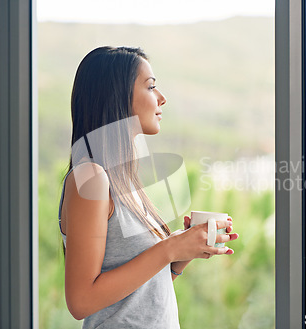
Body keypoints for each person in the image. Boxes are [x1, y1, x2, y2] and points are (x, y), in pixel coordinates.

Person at [57, 46, 239, 329]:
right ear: (116, 97)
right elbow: (80, 301)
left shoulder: (124, 179)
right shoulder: (91, 178)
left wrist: (180, 255)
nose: (162, 98)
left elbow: (139, 295)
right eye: (151, 87)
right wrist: (168, 248)